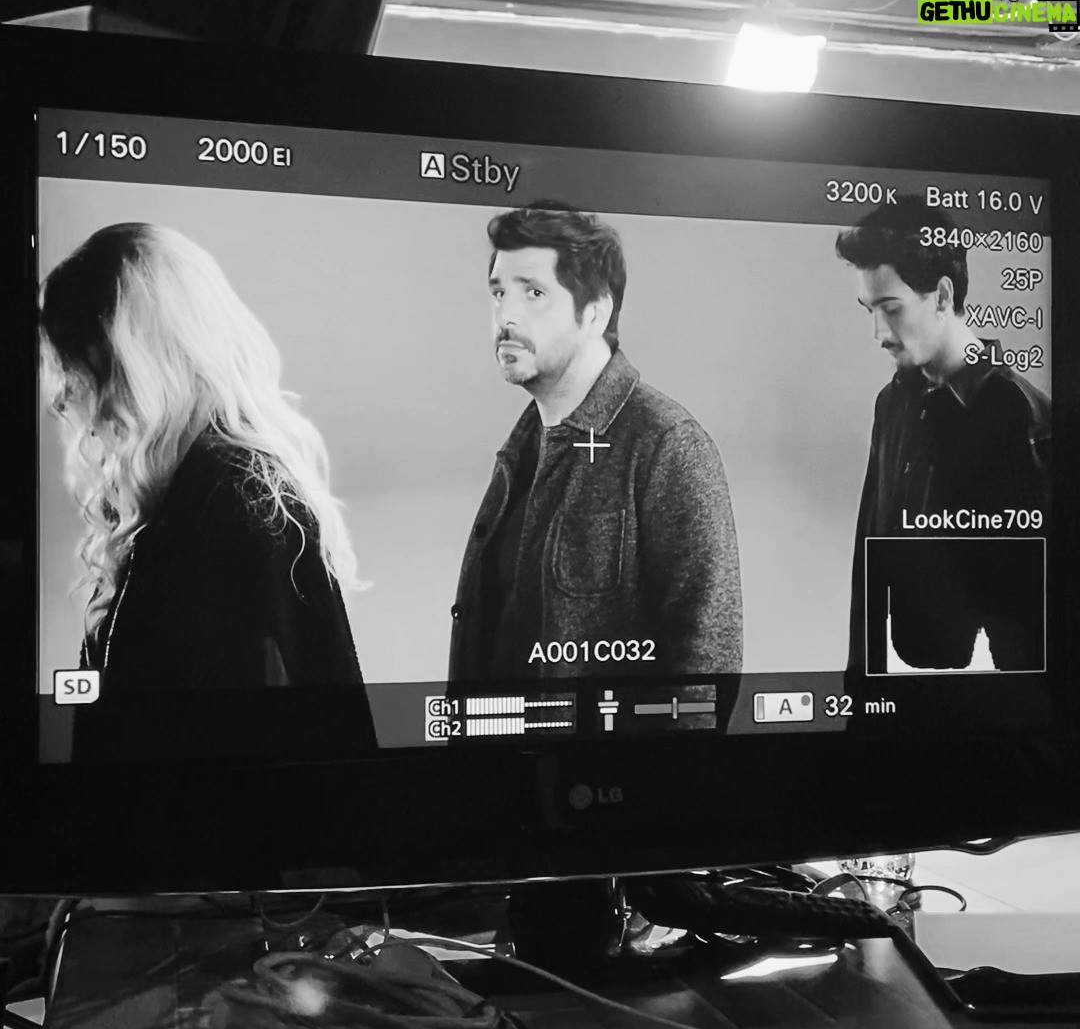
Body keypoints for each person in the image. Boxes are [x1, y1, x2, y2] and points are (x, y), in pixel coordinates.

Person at [40, 223, 376, 745]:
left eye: (73, 366)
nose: (61, 400)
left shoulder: (234, 502)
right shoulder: (202, 497)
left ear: (129, 362)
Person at [449, 201, 742, 691]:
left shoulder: (668, 445)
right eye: (499, 293)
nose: (506, 315)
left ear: (595, 313)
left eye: (534, 293)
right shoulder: (523, 449)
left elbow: (705, 671)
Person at [836, 197, 1050, 677]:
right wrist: (860, 688)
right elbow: (870, 557)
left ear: (943, 297)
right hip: (895, 700)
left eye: (891, 309)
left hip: (988, 709)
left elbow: (1034, 620)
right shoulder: (892, 402)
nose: (878, 333)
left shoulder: (1021, 417)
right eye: (869, 310)